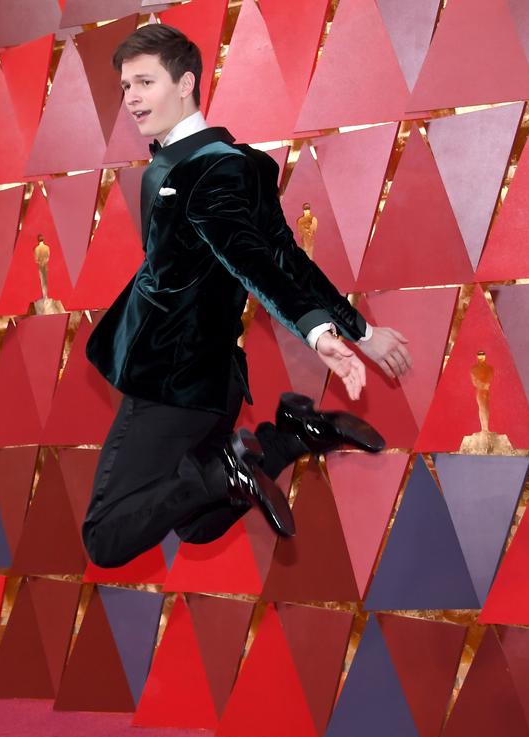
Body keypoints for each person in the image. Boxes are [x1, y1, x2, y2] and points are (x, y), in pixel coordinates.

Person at [81, 25, 411, 569]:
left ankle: (235, 465)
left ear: (186, 82)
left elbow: (254, 260)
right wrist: (362, 332)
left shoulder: (205, 168)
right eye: (125, 86)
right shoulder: (231, 161)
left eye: (144, 82)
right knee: (196, 522)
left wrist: (319, 331)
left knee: (107, 538)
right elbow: (287, 255)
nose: (132, 98)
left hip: (171, 376)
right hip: (215, 380)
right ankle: (293, 436)